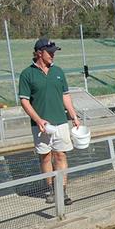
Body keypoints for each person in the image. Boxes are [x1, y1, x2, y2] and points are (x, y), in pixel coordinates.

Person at [19, 37, 81, 205]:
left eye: (54, 52)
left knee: (61, 155)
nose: (53, 55)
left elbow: (65, 95)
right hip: (41, 125)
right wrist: (38, 120)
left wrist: (74, 116)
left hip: (60, 122)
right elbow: (24, 101)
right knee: (45, 157)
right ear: (39, 53)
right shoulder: (27, 74)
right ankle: (50, 190)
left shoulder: (58, 72)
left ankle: (62, 191)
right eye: (50, 52)